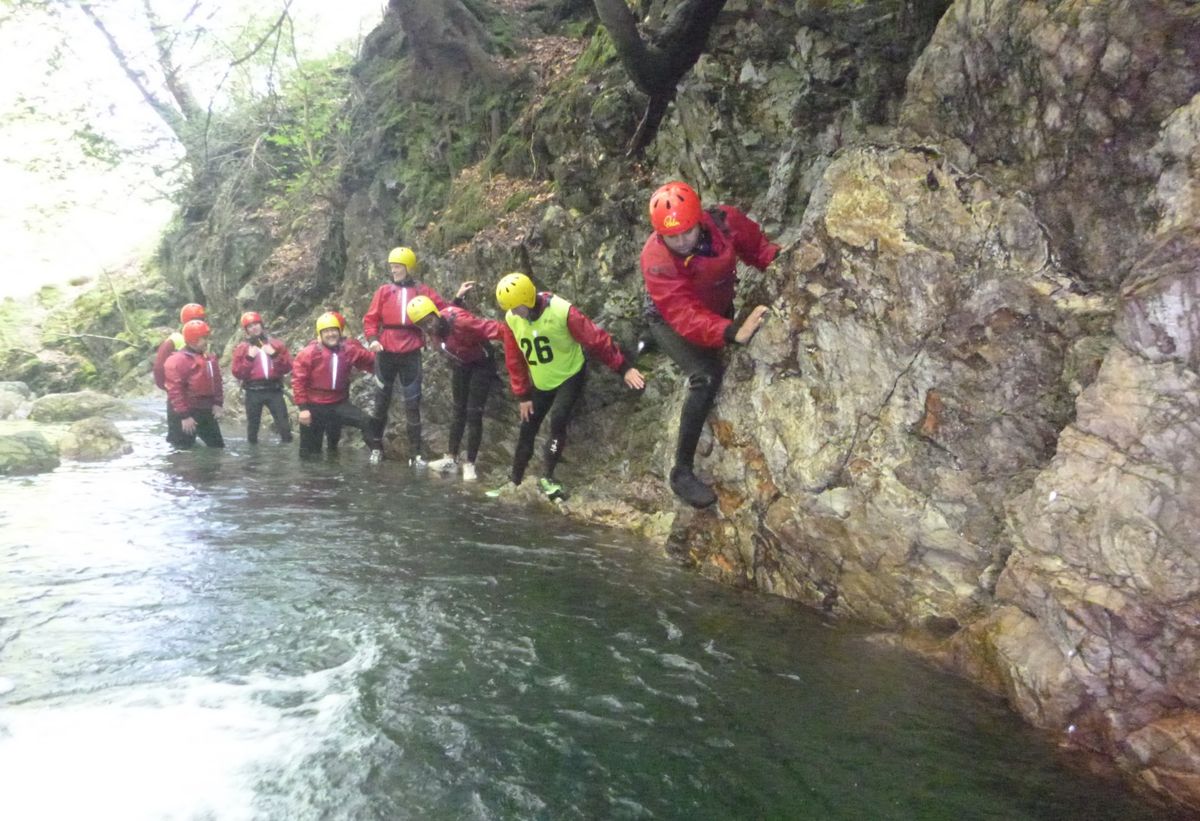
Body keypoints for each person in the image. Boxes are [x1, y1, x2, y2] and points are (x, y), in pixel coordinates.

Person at [640, 180, 777, 508]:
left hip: (715, 302)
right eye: (672, 236)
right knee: (706, 375)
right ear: (661, 235)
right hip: (668, 318)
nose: (682, 241)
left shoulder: (724, 222)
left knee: (715, 350)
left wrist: (784, 266)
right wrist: (730, 332)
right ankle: (682, 472)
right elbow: (684, 314)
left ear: (699, 219)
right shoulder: (657, 258)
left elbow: (758, 250)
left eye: (687, 231)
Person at [489, 272, 645, 500]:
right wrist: (523, 395)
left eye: (516, 307)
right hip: (542, 382)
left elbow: (595, 339)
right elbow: (513, 357)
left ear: (528, 298)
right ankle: (514, 480)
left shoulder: (562, 311)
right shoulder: (513, 319)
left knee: (558, 419)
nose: (513, 312)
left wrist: (624, 368)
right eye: (510, 308)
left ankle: (549, 477)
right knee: (527, 427)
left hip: (569, 376)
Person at [362, 247, 474, 466]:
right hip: (385, 351)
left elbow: (442, 312)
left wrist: (457, 298)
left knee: (413, 403)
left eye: (398, 267)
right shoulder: (384, 291)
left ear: (408, 268)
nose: (394, 271)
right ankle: (375, 447)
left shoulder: (422, 290)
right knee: (380, 401)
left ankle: (415, 453)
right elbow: (371, 318)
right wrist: (372, 338)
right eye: (392, 266)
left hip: (411, 350)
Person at [406, 295, 504, 482]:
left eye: (429, 322)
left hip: (482, 364)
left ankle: (470, 464)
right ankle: (451, 458)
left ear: (435, 315)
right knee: (458, 411)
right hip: (461, 364)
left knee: (473, 413)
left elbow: (498, 329)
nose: (428, 327)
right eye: (422, 325)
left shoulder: (462, 322)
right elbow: (448, 313)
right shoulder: (435, 330)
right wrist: (457, 298)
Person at [292, 312, 381, 459]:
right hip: (314, 407)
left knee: (366, 422)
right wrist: (303, 409)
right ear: (320, 334)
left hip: (338, 404)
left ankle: (376, 454)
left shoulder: (349, 350)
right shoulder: (309, 353)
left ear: (340, 332)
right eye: (326, 331)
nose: (331, 334)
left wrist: (387, 360)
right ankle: (313, 477)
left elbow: (370, 361)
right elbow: (298, 381)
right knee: (310, 455)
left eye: (334, 330)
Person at [230, 311, 293, 444]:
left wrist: (274, 355)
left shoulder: (276, 345)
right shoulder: (242, 348)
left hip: (274, 390)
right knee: (252, 430)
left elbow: (287, 367)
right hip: (253, 391)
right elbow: (238, 373)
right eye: (250, 326)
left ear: (261, 325)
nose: (254, 327)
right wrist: (249, 358)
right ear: (246, 330)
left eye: (256, 324)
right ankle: (253, 459)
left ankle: (284, 457)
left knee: (284, 427)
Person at [163, 319, 225, 449]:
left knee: (217, 447)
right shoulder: (177, 360)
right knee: (182, 449)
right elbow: (175, 391)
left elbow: (216, 381)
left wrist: (218, 403)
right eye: (203, 338)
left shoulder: (209, 358)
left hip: (206, 409)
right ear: (193, 339)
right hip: (187, 411)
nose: (206, 342)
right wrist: (185, 416)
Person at [154, 303, 206, 393]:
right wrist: (167, 387)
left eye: (201, 319)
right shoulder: (174, 340)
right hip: (179, 390)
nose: (198, 323)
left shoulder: (203, 339)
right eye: (194, 319)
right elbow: (159, 366)